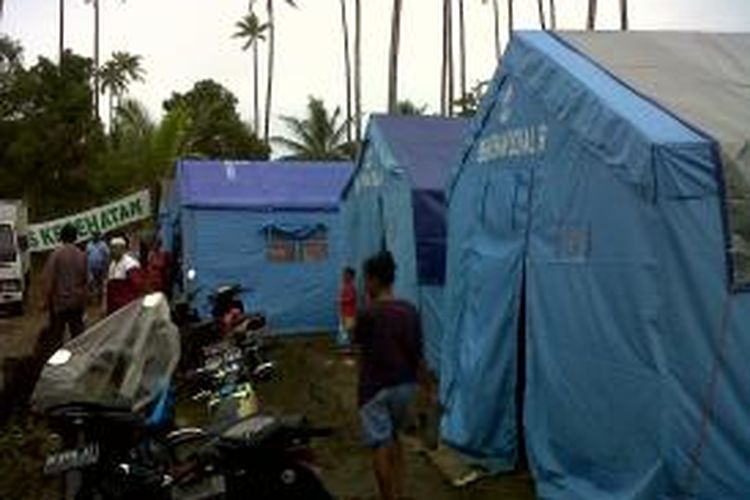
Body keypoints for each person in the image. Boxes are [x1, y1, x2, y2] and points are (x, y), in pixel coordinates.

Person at [354, 251, 425, 500]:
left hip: (375, 389)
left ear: (373, 280)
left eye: (366, 279)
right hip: (404, 387)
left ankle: (388, 497)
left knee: (379, 445)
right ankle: (400, 492)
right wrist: (424, 388)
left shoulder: (367, 313)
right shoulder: (409, 311)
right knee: (395, 439)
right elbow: (418, 354)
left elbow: (359, 351)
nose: (364, 284)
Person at [43, 223, 88, 344]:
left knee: (56, 336)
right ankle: (78, 359)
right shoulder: (82, 255)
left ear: (62, 237)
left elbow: (50, 280)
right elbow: (86, 280)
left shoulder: (56, 255)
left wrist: (46, 301)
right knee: (78, 337)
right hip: (77, 302)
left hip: (60, 303)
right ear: (75, 237)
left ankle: (58, 359)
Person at [105, 236, 143, 315]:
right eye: (111, 248)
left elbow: (137, 287)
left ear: (123, 249)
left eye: (115, 248)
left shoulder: (130, 264)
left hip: (126, 306)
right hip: (114, 307)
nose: (112, 251)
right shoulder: (112, 264)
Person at [86, 231, 110, 304]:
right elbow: (86, 256)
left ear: (99, 236)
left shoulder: (103, 245)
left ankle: (99, 300)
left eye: (96, 235)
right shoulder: (89, 245)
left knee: (100, 284)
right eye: (94, 235)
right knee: (90, 284)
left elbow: (107, 256)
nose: (95, 237)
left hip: (101, 267)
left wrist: (106, 267)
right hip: (90, 268)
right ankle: (89, 300)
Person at [337, 266, 357, 349]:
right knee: (344, 329)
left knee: (349, 330)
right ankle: (345, 345)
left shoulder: (351, 287)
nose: (344, 276)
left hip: (350, 313)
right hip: (344, 312)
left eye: (346, 275)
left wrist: (342, 300)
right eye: (343, 274)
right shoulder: (345, 286)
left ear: (351, 277)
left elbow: (352, 298)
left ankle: (351, 345)